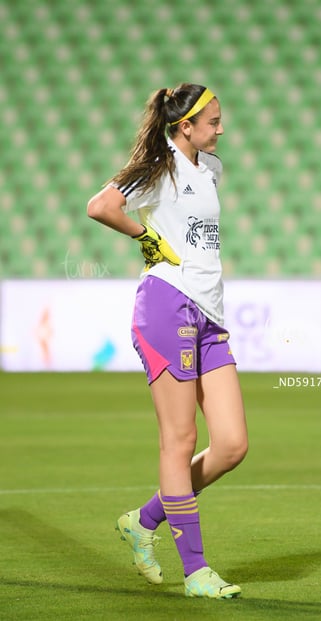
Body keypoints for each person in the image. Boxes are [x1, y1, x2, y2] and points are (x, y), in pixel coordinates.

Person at [87, 83, 248, 599]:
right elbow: (100, 205)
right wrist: (143, 236)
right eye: (213, 122)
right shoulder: (157, 166)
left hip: (209, 314)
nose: (221, 129)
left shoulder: (212, 169)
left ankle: (142, 520)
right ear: (186, 126)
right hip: (165, 305)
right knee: (178, 442)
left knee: (231, 445)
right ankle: (196, 572)